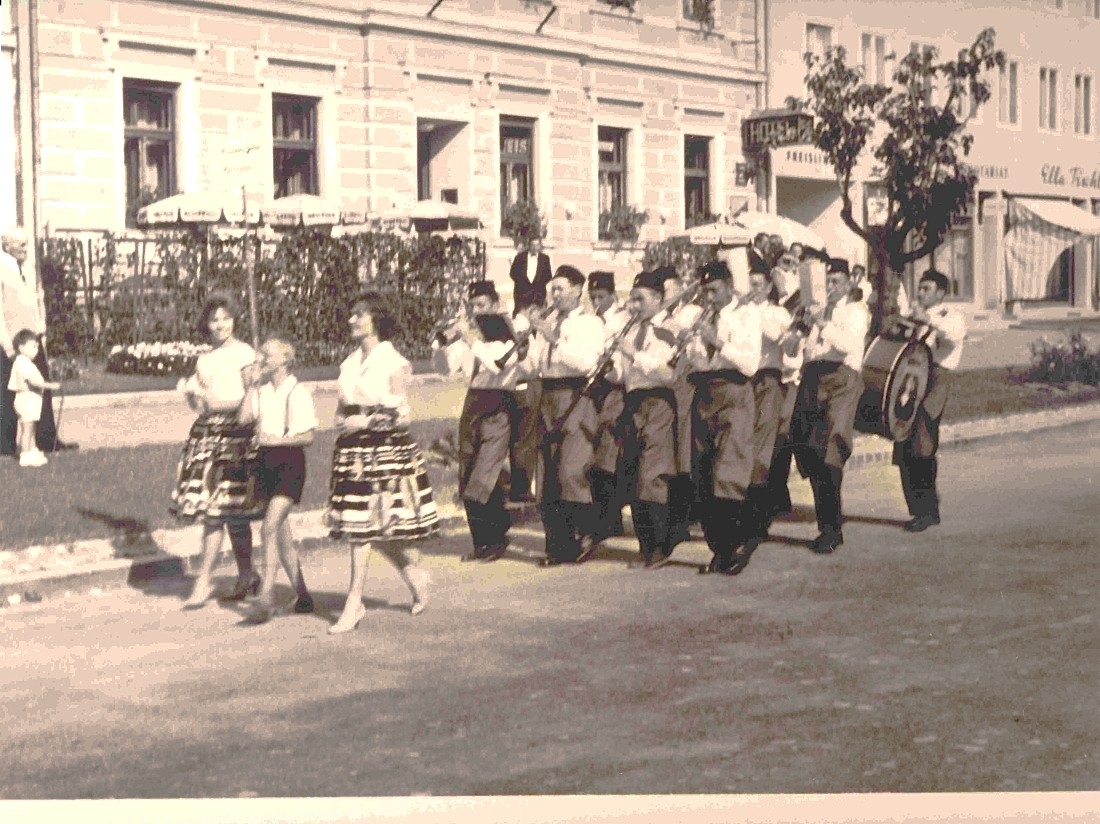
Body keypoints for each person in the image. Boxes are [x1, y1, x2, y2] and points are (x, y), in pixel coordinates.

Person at [327, 296, 439, 634]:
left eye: (360, 314)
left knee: (364, 531)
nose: (352, 320)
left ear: (377, 319)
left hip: (386, 453)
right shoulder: (348, 363)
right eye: (351, 314)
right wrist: (343, 421)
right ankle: (414, 574)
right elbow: (342, 407)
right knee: (372, 529)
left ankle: (354, 601)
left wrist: (365, 423)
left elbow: (402, 416)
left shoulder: (395, 362)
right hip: (353, 454)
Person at [174, 294, 265, 609]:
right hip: (208, 435)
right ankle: (243, 575)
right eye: (214, 319)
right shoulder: (204, 360)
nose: (220, 324)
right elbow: (203, 402)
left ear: (234, 320)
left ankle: (210, 580)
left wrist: (216, 405)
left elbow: (250, 398)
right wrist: (194, 399)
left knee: (226, 512)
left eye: (225, 318)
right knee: (218, 512)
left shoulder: (244, 353)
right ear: (206, 324)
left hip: (236, 436)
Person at [437, 280, 530, 562]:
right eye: (473, 306)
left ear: (495, 305)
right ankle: (482, 541)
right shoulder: (472, 339)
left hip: (499, 406)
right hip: (473, 403)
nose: (476, 311)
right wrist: (441, 345)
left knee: (484, 475)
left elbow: (496, 364)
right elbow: (445, 369)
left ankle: (497, 536)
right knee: (467, 474)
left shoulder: (510, 336)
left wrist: (471, 340)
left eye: (482, 306)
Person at [682, 260, 762, 575]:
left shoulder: (746, 315)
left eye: (714, 291)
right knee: (703, 473)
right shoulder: (704, 316)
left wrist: (715, 340)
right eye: (705, 292)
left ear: (729, 286)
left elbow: (750, 363)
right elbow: (696, 361)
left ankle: (735, 545)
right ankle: (719, 549)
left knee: (727, 472)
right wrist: (694, 347)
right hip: (705, 392)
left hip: (734, 392)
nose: (710, 298)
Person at [786, 259, 870, 554]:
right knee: (803, 445)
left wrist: (822, 322)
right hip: (812, 377)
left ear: (849, 283)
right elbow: (793, 350)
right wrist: (798, 329)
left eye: (837, 282)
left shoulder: (855, 312)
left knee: (829, 451)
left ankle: (830, 529)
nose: (831, 288)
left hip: (841, 378)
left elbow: (846, 345)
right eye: (828, 283)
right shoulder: (817, 311)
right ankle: (828, 519)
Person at [527, 265, 606, 567]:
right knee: (547, 472)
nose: (554, 295)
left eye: (560, 289)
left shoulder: (590, 324)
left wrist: (555, 338)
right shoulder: (549, 322)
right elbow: (536, 363)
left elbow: (586, 362)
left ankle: (584, 535)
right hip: (547, 394)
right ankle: (557, 545)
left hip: (576, 394)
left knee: (572, 470)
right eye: (552, 290)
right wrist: (528, 342)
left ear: (577, 290)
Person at [237, 336, 318, 624]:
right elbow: (244, 418)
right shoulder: (262, 391)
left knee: (268, 528)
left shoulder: (297, 392)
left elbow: (308, 436)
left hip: (289, 464)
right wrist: (250, 387)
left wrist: (277, 439)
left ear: (285, 358)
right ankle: (303, 595)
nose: (261, 360)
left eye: (267, 355)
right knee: (281, 534)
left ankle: (267, 594)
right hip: (264, 465)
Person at [893, 269, 966, 533]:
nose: (921, 292)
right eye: (920, 288)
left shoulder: (951, 316)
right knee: (902, 442)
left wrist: (928, 320)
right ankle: (917, 507)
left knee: (922, 442)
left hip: (936, 379)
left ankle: (928, 510)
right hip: (911, 379)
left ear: (941, 293)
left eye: (927, 289)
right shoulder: (916, 316)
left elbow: (952, 336)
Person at [617, 270, 679, 569]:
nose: (635, 305)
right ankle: (645, 546)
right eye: (632, 299)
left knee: (652, 474)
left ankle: (660, 546)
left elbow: (667, 372)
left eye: (640, 299)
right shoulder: (631, 329)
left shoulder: (668, 328)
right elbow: (626, 373)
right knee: (632, 470)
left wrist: (633, 354)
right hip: (633, 402)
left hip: (658, 401)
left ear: (657, 299)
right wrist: (612, 368)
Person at [0, 227, 75, 456]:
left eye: (26, 244)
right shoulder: (2, 271)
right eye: (21, 245)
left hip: (34, 340)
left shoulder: (29, 270)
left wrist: (42, 327)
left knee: (42, 387)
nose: (25, 249)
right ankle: (5, 445)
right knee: (9, 392)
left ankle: (47, 439)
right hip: (12, 342)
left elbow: (37, 299)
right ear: (7, 246)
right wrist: (7, 346)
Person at [739, 268, 793, 572]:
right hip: (744, 381)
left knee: (761, 450)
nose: (752, 289)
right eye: (749, 285)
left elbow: (781, 340)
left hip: (768, 380)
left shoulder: (777, 313)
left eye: (757, 284)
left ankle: (757, 521)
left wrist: (751, 312)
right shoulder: (741, 312)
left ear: (769, 286)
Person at [653, 265, 702, 550]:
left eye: (670, 290)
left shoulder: (691, 312)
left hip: (685, 382)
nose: (667, 295)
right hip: (662, 385)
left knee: (683, 451)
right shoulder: (661, 315)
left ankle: (682, 519)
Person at [586, 270, 631, 544]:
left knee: (608, 453)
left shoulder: (622, 319)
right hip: (595, 388)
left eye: (601, 296)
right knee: (594, 450)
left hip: (616, 388)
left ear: (613, 295)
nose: (596, 302)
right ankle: (605, 516)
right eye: (592, 297)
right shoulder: (591, 321)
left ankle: (609, 517)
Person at [7, 328, 61, 467]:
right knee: (27, 429)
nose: (36, 350)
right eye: (33, 347)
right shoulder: (22, 362)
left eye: (37, 347)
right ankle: (25, 455)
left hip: (31, 400)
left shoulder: (26, 362)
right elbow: (33, 381)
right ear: (21, 347)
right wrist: (50, 386)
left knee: (31, 428)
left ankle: (32, 450)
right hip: (26, 400)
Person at [509, 235, 552, 316]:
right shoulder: (519, 258)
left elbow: (548, 275)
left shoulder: (545, 259)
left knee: (538, 320)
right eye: (532, 245)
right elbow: (513, 273)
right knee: (520, 321)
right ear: (528, 245)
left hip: (538, 296)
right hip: (522, 295)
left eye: (537, 245)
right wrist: (523, 285)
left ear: (540, 246)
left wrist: (538, 285)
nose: (535, 247)